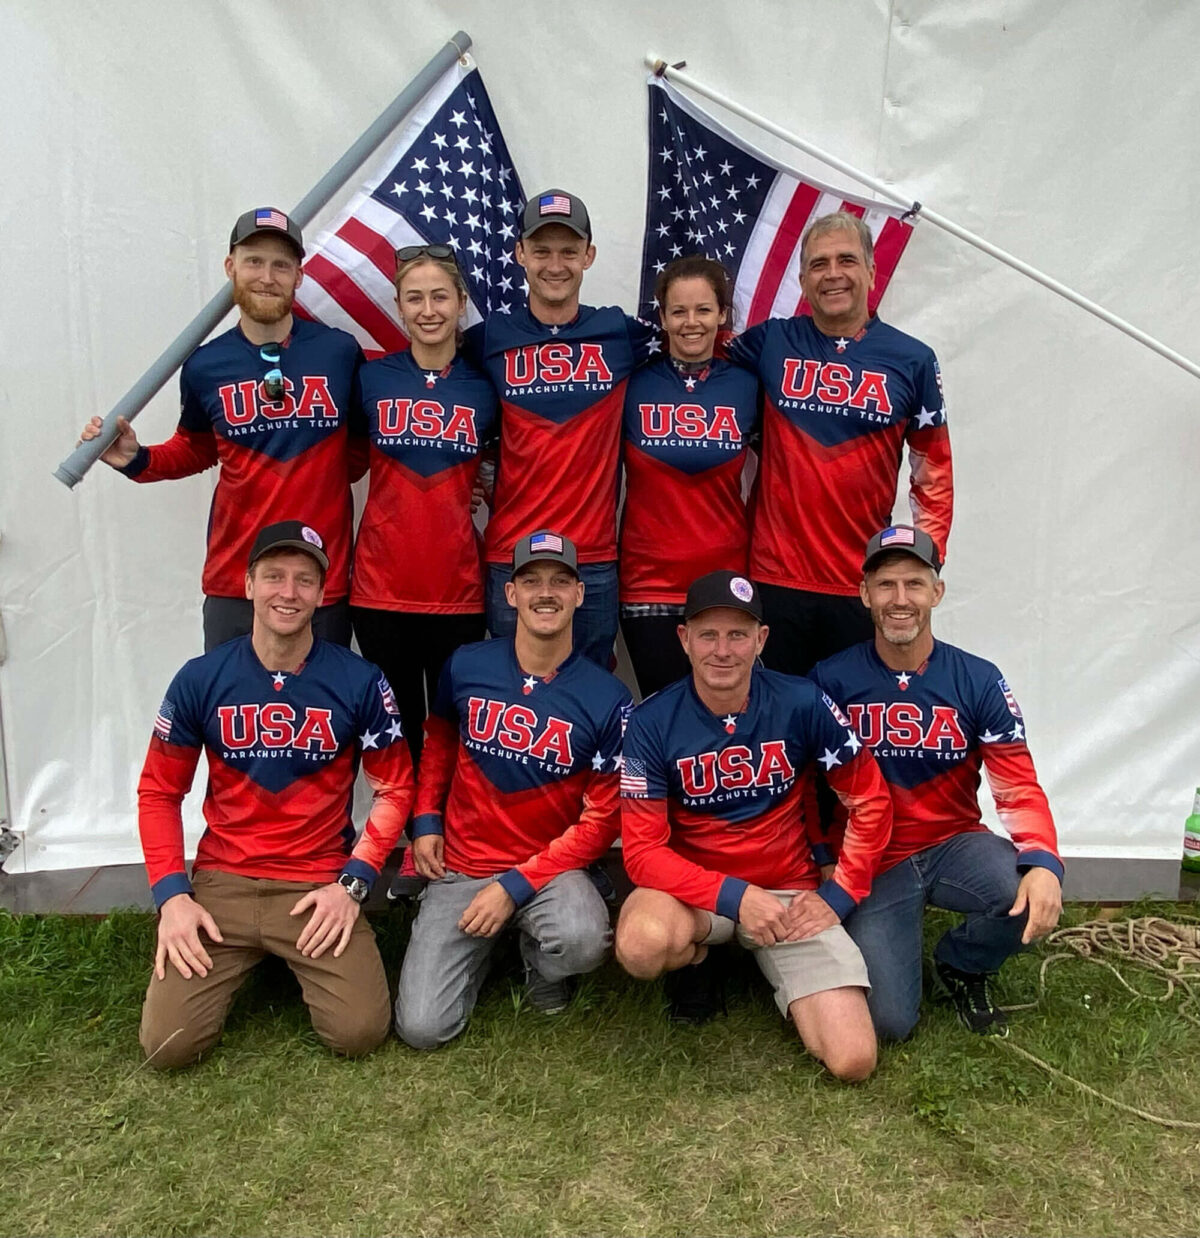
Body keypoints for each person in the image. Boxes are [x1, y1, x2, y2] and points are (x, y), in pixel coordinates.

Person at [136, 521, 415, 1067]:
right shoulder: (200, 678)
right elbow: (158, 793)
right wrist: (172, 898)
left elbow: (395, 787)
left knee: (358, 1033)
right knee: (166, 1047)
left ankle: (284, 955)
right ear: (247, 585)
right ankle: (249, 954)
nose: (288, 592)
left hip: (317, 882)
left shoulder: (360, 680)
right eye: (274, 577)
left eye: (305, 580)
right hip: (224, 882)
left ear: (321, 592)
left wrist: (353, 886)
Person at [615, 571, 893, 1081]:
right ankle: (701, 958)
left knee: (853, 1061)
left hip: (788, 893)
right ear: (684, 639)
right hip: (697, 894)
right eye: (708, 634)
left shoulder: (802, 701)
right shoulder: (650, 722)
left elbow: (870, 801)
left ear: (761, 639)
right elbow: (641, 854)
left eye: (738, 634)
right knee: (641, 945)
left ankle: (759, 959)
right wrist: (735, 898)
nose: (723, 650)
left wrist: (839, 897)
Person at [810, 526, 1063, 1037]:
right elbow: (805, 788)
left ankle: (963, 961)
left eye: (914, 584)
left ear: (937, 592)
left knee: (1027, 889)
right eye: (886, 585)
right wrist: (821, 857)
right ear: (864, 594)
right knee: (889, 1023)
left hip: (953, 843)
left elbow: (1016, 783)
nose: (900, 600)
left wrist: (1043, 859)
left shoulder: (978, 678)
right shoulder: (830, 679)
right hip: (872, 858)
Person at [80, 209, 362, 651]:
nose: (266, 277)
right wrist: (137, 459)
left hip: (317, 578)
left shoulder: (339, 353)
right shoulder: (205, 365)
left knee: (322, 714)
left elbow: (362, 450)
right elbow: (196, 449)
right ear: (230, 267)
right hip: (236, 579)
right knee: (230, 715)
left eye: (281, 265)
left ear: (298, 276)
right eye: (254, 261)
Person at [395, 530, 632, 1049]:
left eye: (559, 581)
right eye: (531, 581)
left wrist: (513, 887)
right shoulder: (466, 664)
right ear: (510, 593)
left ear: (578, 593)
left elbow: (601, 820)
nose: (545, 592)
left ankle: (541, 968)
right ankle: (479, 946)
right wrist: (426, 820)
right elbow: (437, 744)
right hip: (463, 863)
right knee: (422, 1029)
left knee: (583, 940)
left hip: (547, 868)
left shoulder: (608, 697)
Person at [726, 210, 953, 676]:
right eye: (818, 263)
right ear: (803, 279)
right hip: (775, 579)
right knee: (778, 726)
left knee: (851, 732)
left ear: (871, 271)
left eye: (846, 260)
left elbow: (934, 472)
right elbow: (695, 350)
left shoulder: (912, 360)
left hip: (861, 584)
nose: (832, 274)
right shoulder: (771, 342)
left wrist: (921, 566)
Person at [464, 189, 657, 667]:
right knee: (513, 691)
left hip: (592, 561)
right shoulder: (487, 338)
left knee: (589, 696)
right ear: (520, 254)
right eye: (543, 250)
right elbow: (440, 395)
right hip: (512, 556)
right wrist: (459, 475)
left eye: (569, 251)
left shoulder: (621, 334)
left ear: (588, 256)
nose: (556, 264)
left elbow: (696, 346)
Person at [349, 244, 498, 765]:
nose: (428, 310)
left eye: (440, 296)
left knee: (452, 730)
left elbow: (504, 473)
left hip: (456, 590)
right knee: (396, 726)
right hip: (378, 590)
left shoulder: (486, 387)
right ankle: (406, 834)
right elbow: (341, 462)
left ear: (461, 303)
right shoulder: (369, 378)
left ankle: (442, 835)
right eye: (415, 298)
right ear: (398, 306)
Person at [619, 256, 760, 699]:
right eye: (678, 311)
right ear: (661, 317)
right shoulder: (631, 384)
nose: (691, 322)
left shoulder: (748, 384)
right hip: (647, 584)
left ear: (722, 314)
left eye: (703, 310)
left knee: (723, 715)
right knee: (662, 714)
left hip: (724, 578)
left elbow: (785, 469)